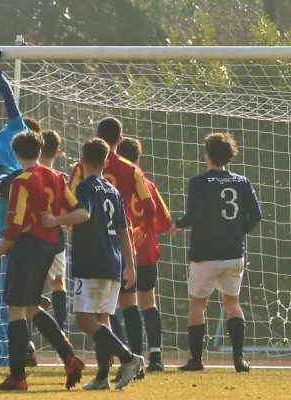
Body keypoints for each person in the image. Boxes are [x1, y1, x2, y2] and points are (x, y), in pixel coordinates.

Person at [0, 130, 84, 391]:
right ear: (40, 152)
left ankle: (17, 377)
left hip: (27, 247)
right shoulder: (57, 177)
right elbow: (77, 209)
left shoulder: (21, 181)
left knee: (16, 310)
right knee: (30, 307)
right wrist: (56, 222)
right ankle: (68, 355)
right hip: (50, 247)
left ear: (16, 155)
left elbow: (15, 226)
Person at [43, 137, 144, 391]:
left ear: (81, 160)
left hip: (93, 261)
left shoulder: (86, 186)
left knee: (84, 320)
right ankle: (102, 377)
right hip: (114, 262)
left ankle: (129, 358)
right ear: (107, 160)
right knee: (102, 318)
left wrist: (55, 220)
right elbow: (124, 231)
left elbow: (84, 214)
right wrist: (130, 265)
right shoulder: (114, 190)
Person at [69, 117, 155, 371]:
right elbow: (150, 207)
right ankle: (131, 361)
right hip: (120, 246)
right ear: (120, 139)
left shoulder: (80, 172)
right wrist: (140, 232)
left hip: (93, 250)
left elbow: (70, 202)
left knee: (89, 317)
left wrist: (63, 221)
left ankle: (127, 358)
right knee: (128, 307)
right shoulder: (131, 168)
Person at [171, 132, 261, 372]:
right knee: (232, 302)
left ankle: (196, 360)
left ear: (207, 155)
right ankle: (239, 359)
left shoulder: (199, 182)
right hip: (233, 252)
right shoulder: (242, 181)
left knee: (198, 304)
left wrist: (177, 224)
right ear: (229, 156)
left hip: (206, 253)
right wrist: (238, 231)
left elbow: (194, 215)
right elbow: (257, 215)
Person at [0, 129, 68, 335]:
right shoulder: (61, 178)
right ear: (57, 152)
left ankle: (28, 344)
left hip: (28, 243)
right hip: (55, 239)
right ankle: (61, 330)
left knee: (22, 298)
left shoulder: (19, 178)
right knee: (58, 283)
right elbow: (75, 209)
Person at [0, 48, 41, 366]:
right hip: (31, 223)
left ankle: (6, 356)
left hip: (6, 215)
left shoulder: (7, 142)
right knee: (24, 292)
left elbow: (8, 100)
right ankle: (19, 350)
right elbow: (10, 102)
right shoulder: (18, 135)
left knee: (9, 293)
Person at [117, 137, 171, 372]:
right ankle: (156, 356)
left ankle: (122, 354)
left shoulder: (114, 183)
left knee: (119, 304)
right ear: (138, 158)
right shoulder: (147, 184)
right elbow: (165, 220)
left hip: (119, 252)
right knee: (148, 302)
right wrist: (146, 232)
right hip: (146, 251)